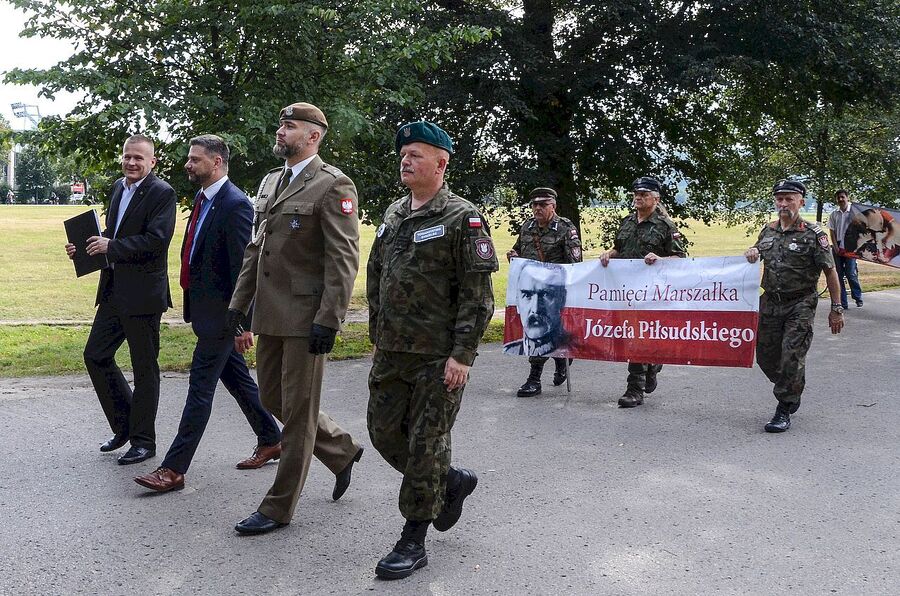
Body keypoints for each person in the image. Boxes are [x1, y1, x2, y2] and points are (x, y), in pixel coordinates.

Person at [366, 121, 498, 579]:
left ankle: (414, 538)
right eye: (403, 153)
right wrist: (376, 329)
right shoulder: (394, 212)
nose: (406, 160)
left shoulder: (463, 217)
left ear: (441, 163)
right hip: (392, 350)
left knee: (426, 443)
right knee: (382, 433)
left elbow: (478, 296)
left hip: (437, 357)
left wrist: (462, 355)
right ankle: (449, 482)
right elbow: (378, 269)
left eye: (417, 154)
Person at [226, 103, 364, 535]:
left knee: (299, 418)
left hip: (307, 318)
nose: (281, 131)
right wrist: (238, 304)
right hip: (270, 314)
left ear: (314, 136)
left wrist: (330, 319)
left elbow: (344, 259)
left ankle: (277, 507)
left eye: (290, 126)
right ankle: (341, 449)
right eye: (281, 124)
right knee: (273, 399)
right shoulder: (271, 182)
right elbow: (256, 249)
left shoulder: (332, 184)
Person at [133, 135, 282, 493]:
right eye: (189, 158)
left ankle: (173, 469)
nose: (188, 165)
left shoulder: (235, 204)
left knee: (199, 390)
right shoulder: (202, 200)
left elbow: (243, 270)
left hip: (223, 318)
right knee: (236, 380)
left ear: (216, 163)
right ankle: (271, 437)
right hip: (205, 314)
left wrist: (241, 324)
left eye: (195, 160)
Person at [65, 134, 176, 465]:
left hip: (143, 296)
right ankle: (125, 425)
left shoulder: (162, 192)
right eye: (128, 156)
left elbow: (156, 240)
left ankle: (144, 441)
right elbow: (111, 235)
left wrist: (110, 246)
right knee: (95, 355)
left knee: (145, 369)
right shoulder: (118, 187)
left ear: (152, 162)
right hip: (113, 290)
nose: (131, 162)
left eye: (139, 158)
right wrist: (83, 249)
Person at [744, 179, 844, 433]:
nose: (784, 203)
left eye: (790, 198)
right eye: (780, 199)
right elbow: (756, 255)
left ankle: (784, 407)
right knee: (764, 355)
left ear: (801, 201)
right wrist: (752, 252)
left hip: (800, 303)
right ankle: (792, 385)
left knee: (791, 355)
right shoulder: (768, 231)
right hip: (770, 302)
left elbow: (830, 272)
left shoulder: (814, 234)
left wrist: (836, 308)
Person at [598, 176, 686, 408]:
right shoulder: (627, 222)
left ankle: (635, 387)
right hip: (626, 293)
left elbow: (680, 258)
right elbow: (619, 248)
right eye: (636, 193)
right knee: (633, 338)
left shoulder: (665, 226)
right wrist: (610, 254)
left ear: (655, 199)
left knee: (641, 339)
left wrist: (660, 259)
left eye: (644, 194)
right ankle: (649, 368)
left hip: (653, 294)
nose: (638, 197)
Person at [505, 188, 581, 397]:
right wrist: (514, 255)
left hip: (554, 292)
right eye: (535, 205)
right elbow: (518, 249)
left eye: (543, 205)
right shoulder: (527, 227)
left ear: (553, 206)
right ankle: (546, 371)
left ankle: (543, 373)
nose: (537, 209)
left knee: (546, 331)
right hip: (531, 288)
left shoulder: (565, 228)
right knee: (537, 330)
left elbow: (575, 264)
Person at [827, 189, 863, 308]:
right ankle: (843, 302)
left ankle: (857, 297)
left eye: (843, 197)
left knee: (850, 273)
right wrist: (836, 247)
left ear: (847, 198)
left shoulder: (854, 212)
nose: (841, 199)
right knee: (838, 275)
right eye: (838, 198)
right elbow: (832, 232)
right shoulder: (834, 214)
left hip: (851, 248)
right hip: (838, 247)